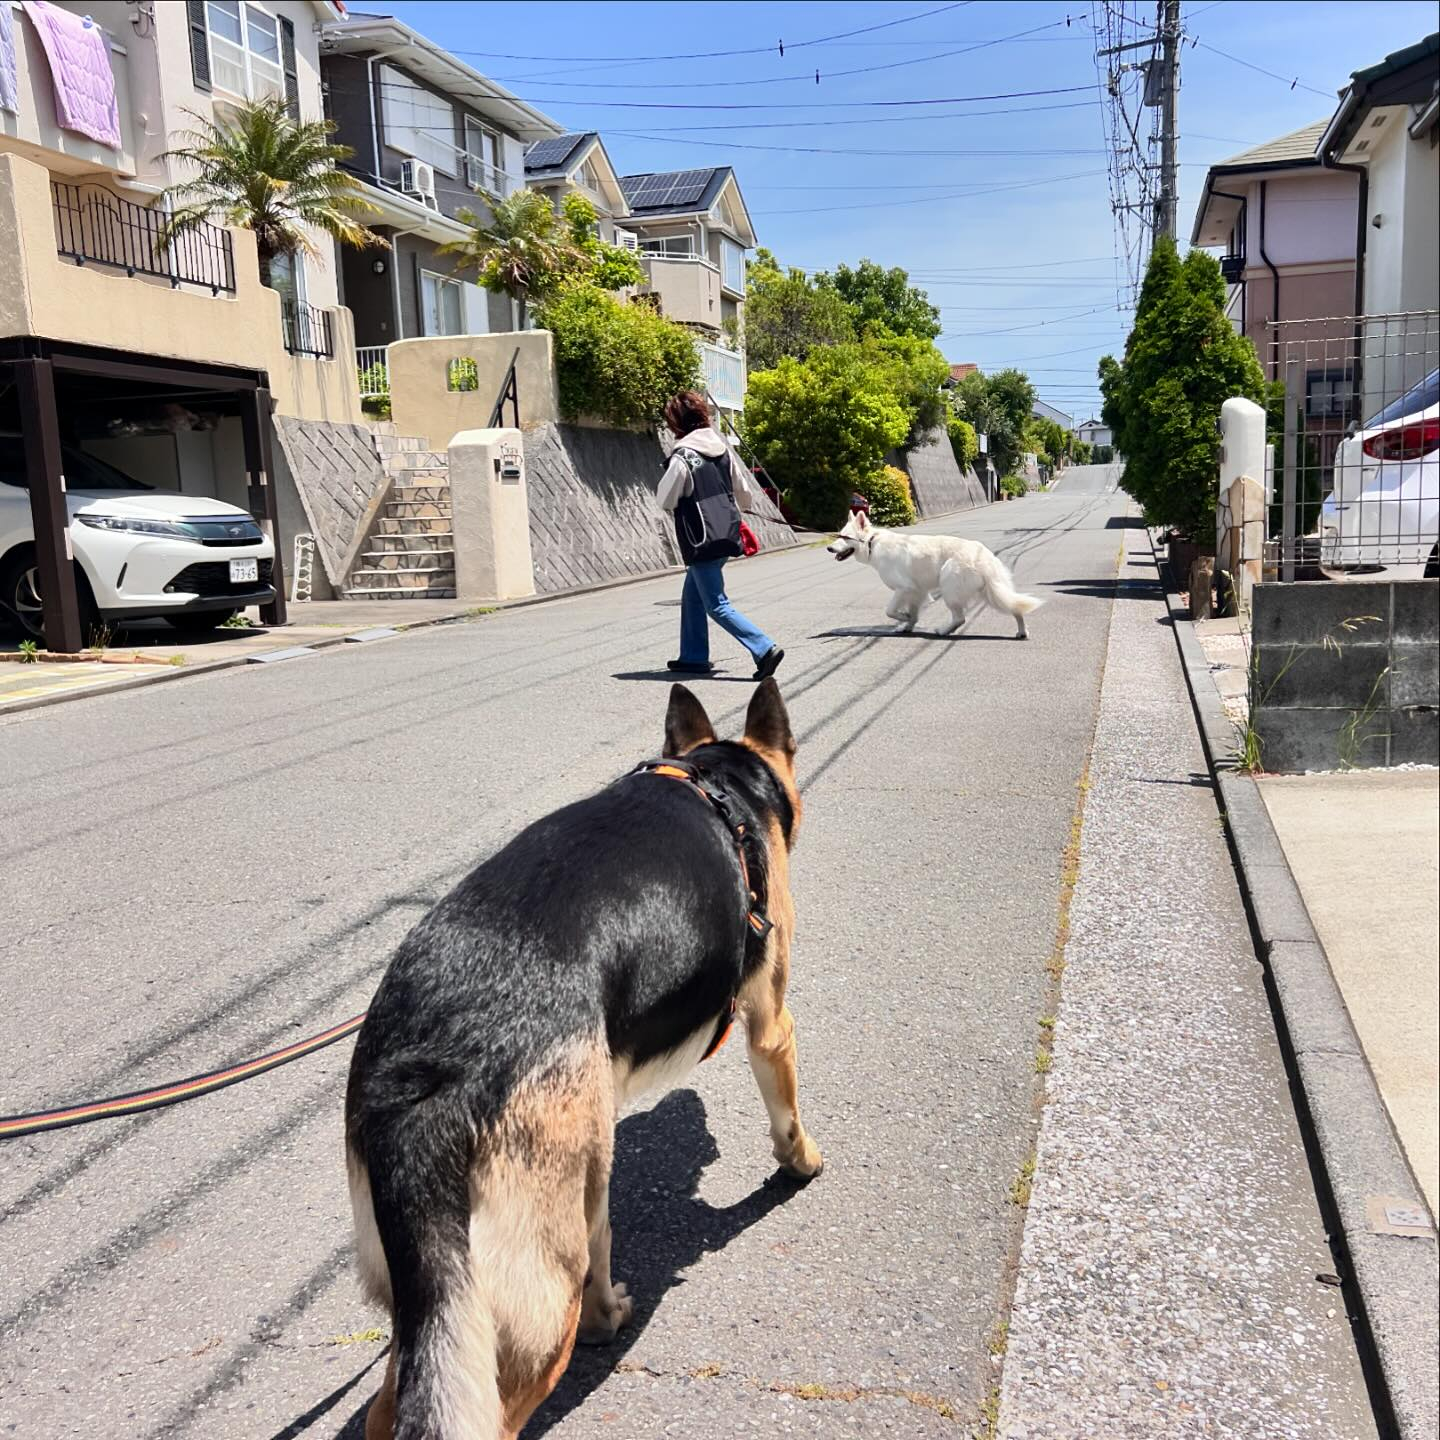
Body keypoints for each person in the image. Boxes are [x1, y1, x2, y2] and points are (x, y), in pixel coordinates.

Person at [656, 391, 783, 680]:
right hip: (726, 532)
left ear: (677, 423)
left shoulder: (684, 455)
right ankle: (693, 656)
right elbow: (744, 493)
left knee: (716, 604)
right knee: (693, 595)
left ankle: (764, 648)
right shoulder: (723, 449)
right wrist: (742, 508)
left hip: (700, 539)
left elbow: (665, 498)